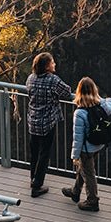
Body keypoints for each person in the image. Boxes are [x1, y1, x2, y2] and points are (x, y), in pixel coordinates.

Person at [62, 77, 111, 212]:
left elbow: (78, 138)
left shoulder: (79, 113)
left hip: (86, 149)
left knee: (88, 173)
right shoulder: (101, 105)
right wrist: (108, 99)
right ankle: (75, 191)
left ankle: (92, 201)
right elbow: (109, 108)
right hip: (98, 145)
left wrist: (74, 156)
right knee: (84, 169)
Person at [25, 52, 71, 197]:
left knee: (34, 152)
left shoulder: (31, 78)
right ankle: (37, 186)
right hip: (47, 122)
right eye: (52, 62)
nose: (54, 64)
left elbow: (28, 91)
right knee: (44, 154)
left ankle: (33, 179)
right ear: (46, 66)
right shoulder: (53, 80)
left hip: (33, 121)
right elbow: (67, 92)